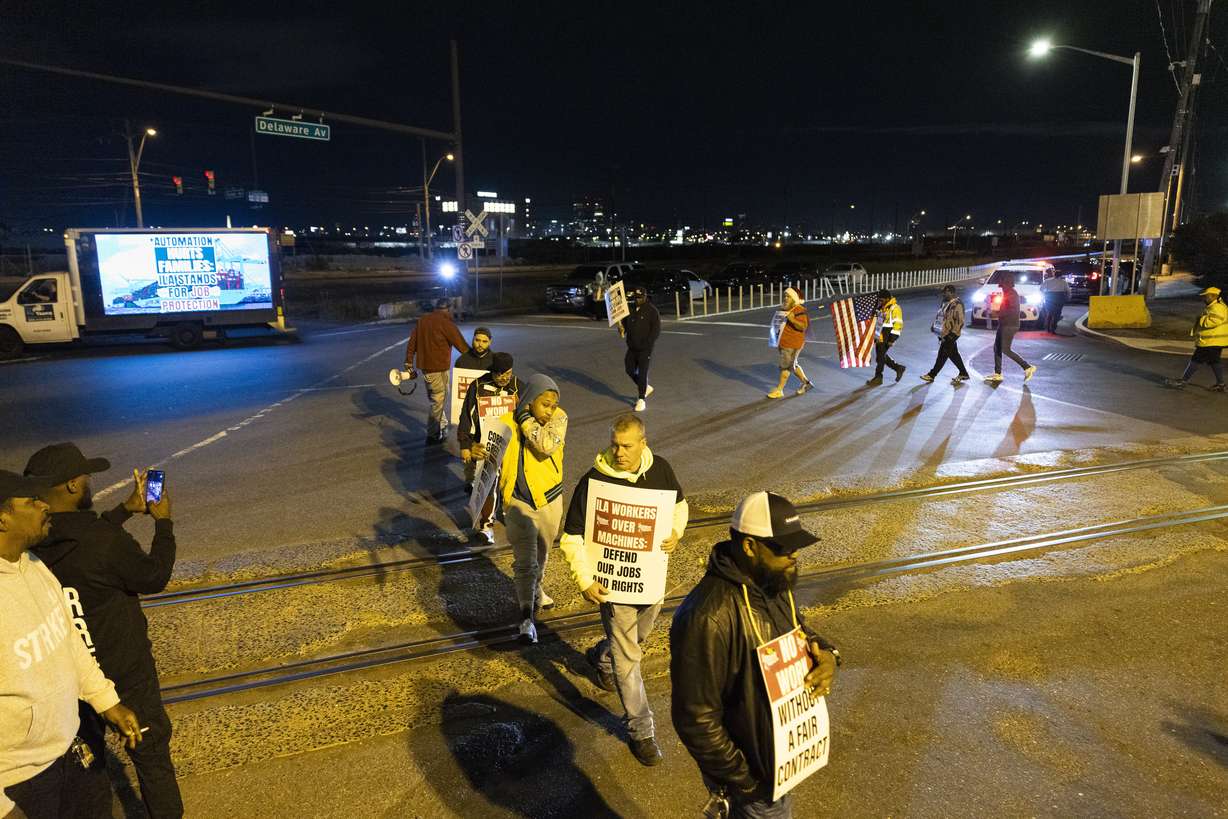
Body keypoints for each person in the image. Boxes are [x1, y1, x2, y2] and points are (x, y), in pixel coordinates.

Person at [24, 443, 182, 818]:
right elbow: (153, 575)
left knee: (88, 767)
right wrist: (163, 522)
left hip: (74, 676)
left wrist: (123, 510)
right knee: (151, 756)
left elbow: (84, 538)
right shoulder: (104, 541)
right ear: (72, 485)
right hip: (126, 673)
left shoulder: (33, 543)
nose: (90, 482)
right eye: (86, 477)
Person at [670, 491, 839, 819]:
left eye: (795, 546)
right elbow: (695, 719)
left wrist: (829, 655)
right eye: (782, 548)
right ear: (749, 546)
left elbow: (799, 631)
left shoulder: (771, 582)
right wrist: (746, 781)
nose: (793, 556)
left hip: (776, 766)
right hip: (755, 783)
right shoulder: (707, 616)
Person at [1, 470, 143, 819]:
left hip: (73, 753)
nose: (44, 505)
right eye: (31, 502)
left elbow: (69, 640)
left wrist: (106, 701)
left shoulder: (33, 565)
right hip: (21, 781)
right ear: (3, 519)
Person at [559, 414, 688, 766]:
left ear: (643, 443)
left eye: (627, 446)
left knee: (631, 644)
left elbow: (679, 506)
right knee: (630, 660)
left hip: (650, 584)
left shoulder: (660, 469)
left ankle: (602, 656)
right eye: (615, 444)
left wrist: (676, 531)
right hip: (615, 589)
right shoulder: (594, 480)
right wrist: (584, 580)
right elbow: (570, 536)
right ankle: (641, 730)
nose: (619, 452)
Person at [495, 374, 567, 643]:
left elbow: (545, 446)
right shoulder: (504, 424)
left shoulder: (560, 418)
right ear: (529, 400)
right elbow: (490, 461)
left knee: (543, 555)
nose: (550, 410)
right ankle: (526, 617)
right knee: (525, 563)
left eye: (552, 404)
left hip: (549, 500)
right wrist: (478, 451)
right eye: (545, 404)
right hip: (517, 503)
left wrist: (525, 419)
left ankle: (536, 590)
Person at [458, 352, 522, 543]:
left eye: (507, 373)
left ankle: (511, 515)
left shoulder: (519, 387)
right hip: (486, 445)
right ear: (492, 372)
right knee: (488, 484)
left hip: (512, 447)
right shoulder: (477, 387)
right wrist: (465, 445)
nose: (504, 378)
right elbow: (466, 417)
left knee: (513, 484)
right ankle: (487, 526)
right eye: (499, 374)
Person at [404, 297, 470, 443]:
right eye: (452, 309)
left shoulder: (423, 321)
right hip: (438, 369)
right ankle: (433, 435)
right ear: (448, 309)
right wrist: (478, 359)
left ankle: (442, 424)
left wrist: (408, 363)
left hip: (428, 370)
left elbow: (412, 343)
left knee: (438, 398)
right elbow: (462, 346)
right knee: (438, 399)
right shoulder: (446, 323)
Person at [1166, 286, 1228, 392]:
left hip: (1210, 341)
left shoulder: (1217, 308)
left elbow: (1213, 322)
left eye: (1206, 296)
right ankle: (1221, 384)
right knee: (1214, 361)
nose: (1204, 298)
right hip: (1214, 341)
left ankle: (1183, 381)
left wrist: (1201, 319)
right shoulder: (1215, 306)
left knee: (1196, 360)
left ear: (1213, 296)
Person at [983, 272, 1037, 384]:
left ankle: (1027, 367)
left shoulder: (1012, 294)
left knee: (1005, 349)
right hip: (1004, 324)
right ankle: (997, 374)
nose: (1001, 286)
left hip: (1009, 325)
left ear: (1007, 284)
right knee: (997, 348)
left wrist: (996, 313)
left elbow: (1011, 310)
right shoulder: (1008, 293)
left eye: (1002, 284)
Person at [767, 287, 815, 398]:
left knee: (786, 367)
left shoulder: (799, 310)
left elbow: (803, 326)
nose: (785, 298)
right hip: (784, 343)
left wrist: (792, 319)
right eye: (785, 296)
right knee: (793, 365)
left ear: (794, 298)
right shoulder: (785, 309)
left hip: (792, 343)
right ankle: (806, 383)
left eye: (788, 296)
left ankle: (779, 390)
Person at [619, 285, 660, 412]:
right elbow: (625, 326)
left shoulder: (652, 311)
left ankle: (641, 399)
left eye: (640, 298)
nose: (637, 300)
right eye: (636, 298)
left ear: (645, 297)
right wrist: (621, 329)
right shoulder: (631, 310)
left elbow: (656, 330)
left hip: (645, 348)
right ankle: (644, 387)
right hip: (632, 347)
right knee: (629, 369)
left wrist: (648, 344)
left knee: (642, 372)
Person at [920, 285, 970, 383]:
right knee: (953, 355)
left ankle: (932, 375)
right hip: (944, 333)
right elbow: (941, 316)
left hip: (951, 334)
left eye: (945, 292)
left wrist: (953, 335)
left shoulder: (957, 304)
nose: (943, 294)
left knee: (942, 355)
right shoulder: (945, 303)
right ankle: (963, 373)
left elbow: (959, 321)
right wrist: (935, 326)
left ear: (951, 292)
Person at [867, 288, 905, 385]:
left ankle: (878, 377)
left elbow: (898, 325)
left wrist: (892, 339)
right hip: (880, 335)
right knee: (881, 356)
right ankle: (898, 368)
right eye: (879, 300)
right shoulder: (882, 307)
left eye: (882, 300)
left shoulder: (895, 308)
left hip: (888, 335)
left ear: (888, 298)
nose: (880, 301)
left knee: (880, 358)